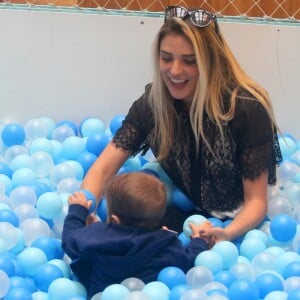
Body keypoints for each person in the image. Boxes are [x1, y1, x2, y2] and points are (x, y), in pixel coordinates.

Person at [80, 6, 282, 242]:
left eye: (189, 61)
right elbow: (103, 169)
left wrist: (227, 233)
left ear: (210, 61)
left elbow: (256, 201)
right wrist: (84, 209)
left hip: (237, 218)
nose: (175, 71)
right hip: (184, 208)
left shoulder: (245, 108)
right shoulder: (154, 104)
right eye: (167, 58)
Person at [62, 172, 213, 298]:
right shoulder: (166, 244)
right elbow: (189, 258)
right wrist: (200, 240)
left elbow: (69, 240)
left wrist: (77, 210)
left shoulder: (95, 237)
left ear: (114, 219)